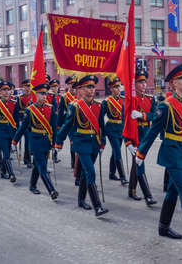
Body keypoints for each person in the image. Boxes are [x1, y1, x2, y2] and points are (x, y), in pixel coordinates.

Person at [135, 63, 182, 253]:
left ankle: (163, 227)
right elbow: (154, 131)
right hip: (171, 153)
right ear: (173, 84)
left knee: (173, 191)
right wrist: (141, 153)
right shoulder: (165, 106)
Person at [55, 75, 108, 217]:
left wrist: (102, 141)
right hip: (81, 143)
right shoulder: (75, 106)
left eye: (93, 87)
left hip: (94, 143)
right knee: (91, 172)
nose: (91, 90)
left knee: (85, 173)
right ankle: (98, 206)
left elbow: (101, 126)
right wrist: (58, 142)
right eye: (88, 87)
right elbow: (67, 125)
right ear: (81, 89)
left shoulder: (99, 105)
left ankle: (81, 200)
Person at [13, 83, 59, 200]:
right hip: (35, 141)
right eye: (41, 94)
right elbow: (23, 127)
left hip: (46, 141)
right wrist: (15, 141)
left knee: (37, 164)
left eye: (45, 94)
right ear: (36, 94)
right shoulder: (30, 110)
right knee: (42, 166)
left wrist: (54, 143)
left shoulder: (50, 108)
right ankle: (51, 190)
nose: (44, 96)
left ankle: (32, 185)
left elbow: (54, 127)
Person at [124, 69, 157, 206]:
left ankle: (131, 190)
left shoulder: (150, 99)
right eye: (140, 82)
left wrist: (142, 116)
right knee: (139, 162)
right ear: (134, 83)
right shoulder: (130, 100)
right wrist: (127, 142)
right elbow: (124, 122)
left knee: (136, 162)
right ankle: (147, 195)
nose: (143, 84)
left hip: (145, 135)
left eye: (144, 81)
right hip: (134, 134)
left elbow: (155, 116)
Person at [100, 76, 128, 185]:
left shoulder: (124, 99)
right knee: (117, 151)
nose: (118, 89)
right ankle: (123, 177)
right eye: (115, 87)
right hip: (111, 128)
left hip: (121, 129)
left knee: (115, 151)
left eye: (119, 86)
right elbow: (100, 118)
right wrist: (101, 133)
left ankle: (112, 173)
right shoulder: (106, 101)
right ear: (111, 89)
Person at [17, 79, 33, 168]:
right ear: (23, 87)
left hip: (32, 121)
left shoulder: (33, 97)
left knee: (30, 140)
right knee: (27, 140)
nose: (28, 88)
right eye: (26, 86)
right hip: (24, 121)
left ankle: (26, 158)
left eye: (29, 86)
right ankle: (28, 160)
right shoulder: (20, 98)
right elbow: (17, 111)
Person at [48, 79, 61, 164]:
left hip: (58, 120)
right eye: (53, 86)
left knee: (56, 138)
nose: (55, 88)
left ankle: (55, 155)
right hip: (49, 120)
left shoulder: (60, 97)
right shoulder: (48, 96)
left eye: (56, 86)